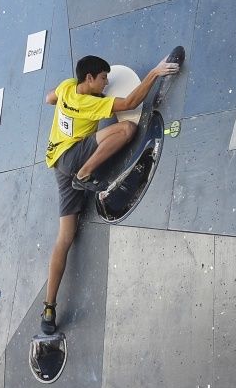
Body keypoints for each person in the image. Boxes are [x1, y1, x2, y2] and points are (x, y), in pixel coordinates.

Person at [40, 53, 178, 336]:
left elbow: (48, 98)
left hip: (57, 163)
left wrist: (61, 102)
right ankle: (85, 174)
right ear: (89, 78)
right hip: (73, 161)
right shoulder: (88, 103)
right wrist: (154, 73)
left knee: (65, 238)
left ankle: (49, 307)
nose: (105, 84)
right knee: (126, 129)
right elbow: (129, 104)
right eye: (103, 79)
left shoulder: (68, 87)